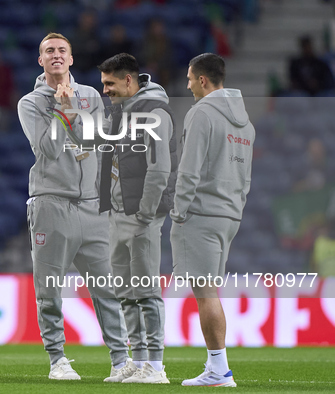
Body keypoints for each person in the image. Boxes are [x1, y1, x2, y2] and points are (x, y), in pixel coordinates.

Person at [18, 32, 130, 380]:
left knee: (107, 289)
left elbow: (95, 139)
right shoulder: (30, 102)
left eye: (61, 50)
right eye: (49, 51)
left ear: (71, 58)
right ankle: (57, 360)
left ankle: (121, 361)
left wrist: (70, 113)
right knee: (49, 290)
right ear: (41, 61)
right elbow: (47, 149)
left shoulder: (92, 95)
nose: (55, 55)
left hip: (93, 207)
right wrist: (62, 110)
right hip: (52, 204)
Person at [170, 53, 254, 387]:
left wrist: (178, 211)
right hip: (229, 213)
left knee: (205, 293)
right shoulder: (246, 122)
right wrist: (236, 206)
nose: (188, 85)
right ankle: (216, 366)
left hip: (201, 213)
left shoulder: (201, 113)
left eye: (190, 79)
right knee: (210, 290)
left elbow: (189, 169)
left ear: (202, 79)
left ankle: (219, 370)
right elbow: (245, 177)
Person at [97, 53, 178, 384]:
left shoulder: (155, 113)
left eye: (110, 84)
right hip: (118, 214)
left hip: (141, 216)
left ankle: (156, 367)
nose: (106, 91)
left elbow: (160, 170)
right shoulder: (119, 113)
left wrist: (144, 213)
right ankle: (139, 361)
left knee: (146, 291)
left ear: (128, 80)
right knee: (126, 293)